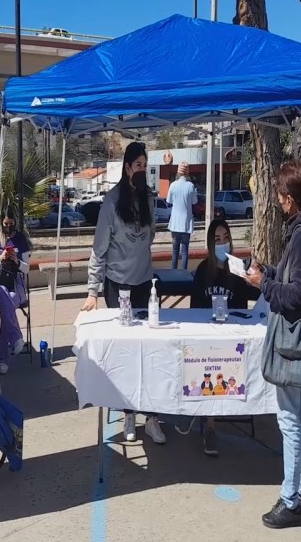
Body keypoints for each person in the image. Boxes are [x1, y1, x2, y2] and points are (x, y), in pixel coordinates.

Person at [246, 159, 301, 529]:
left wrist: (262, 285)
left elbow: (295, 294)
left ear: (289, 198)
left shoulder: (300, 233)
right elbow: (298, 278)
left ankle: (291, 499)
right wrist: (270, 272)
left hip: (293, 335)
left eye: (281, 196)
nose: (279, 202)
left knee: (290, 420)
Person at [82, 141, 165, 445]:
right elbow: (98, 250)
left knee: (151, 352)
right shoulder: (111, 203)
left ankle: (152, 416)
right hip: (118, 288)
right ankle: (129, 414)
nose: (142, 170)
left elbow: (151, 235)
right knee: (128, 355)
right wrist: (92, 291)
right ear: (128, 168)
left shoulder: (149, 199)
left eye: (146, 164)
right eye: (138, 165)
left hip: (145, 284)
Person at [192, 218, 261, 456]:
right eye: (217, 239)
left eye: (226, 238)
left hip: (234, 335)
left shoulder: (238, 270)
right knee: (210, 364)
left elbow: (256, 295)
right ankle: (210, 426)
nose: (222, 243)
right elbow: (194, 310)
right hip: (211, 336)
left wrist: (252, 274)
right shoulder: (203, 270)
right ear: (211, 244)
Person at [0, 208, 31, 375]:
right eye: (5, 223)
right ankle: (16, 338)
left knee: (7, 306)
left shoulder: (20, 239)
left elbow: (27, 269)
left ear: (15, 221)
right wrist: (1, 259)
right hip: (1, 282)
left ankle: (3, 360)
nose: (8, 226)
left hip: (16, 281)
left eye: (11, 223)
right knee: (4, 298)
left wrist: (17, 261)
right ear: (1, 222)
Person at [166, 161, 198, 269]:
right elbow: (194, 202)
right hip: (186, 224)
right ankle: (184, 274)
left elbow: (169, 201)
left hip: (175, 224)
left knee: (175, 251)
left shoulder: (173, 185)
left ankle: (173, 273)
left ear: (178, 173)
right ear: (187, 173)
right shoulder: (191, 186)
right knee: (184, 251)